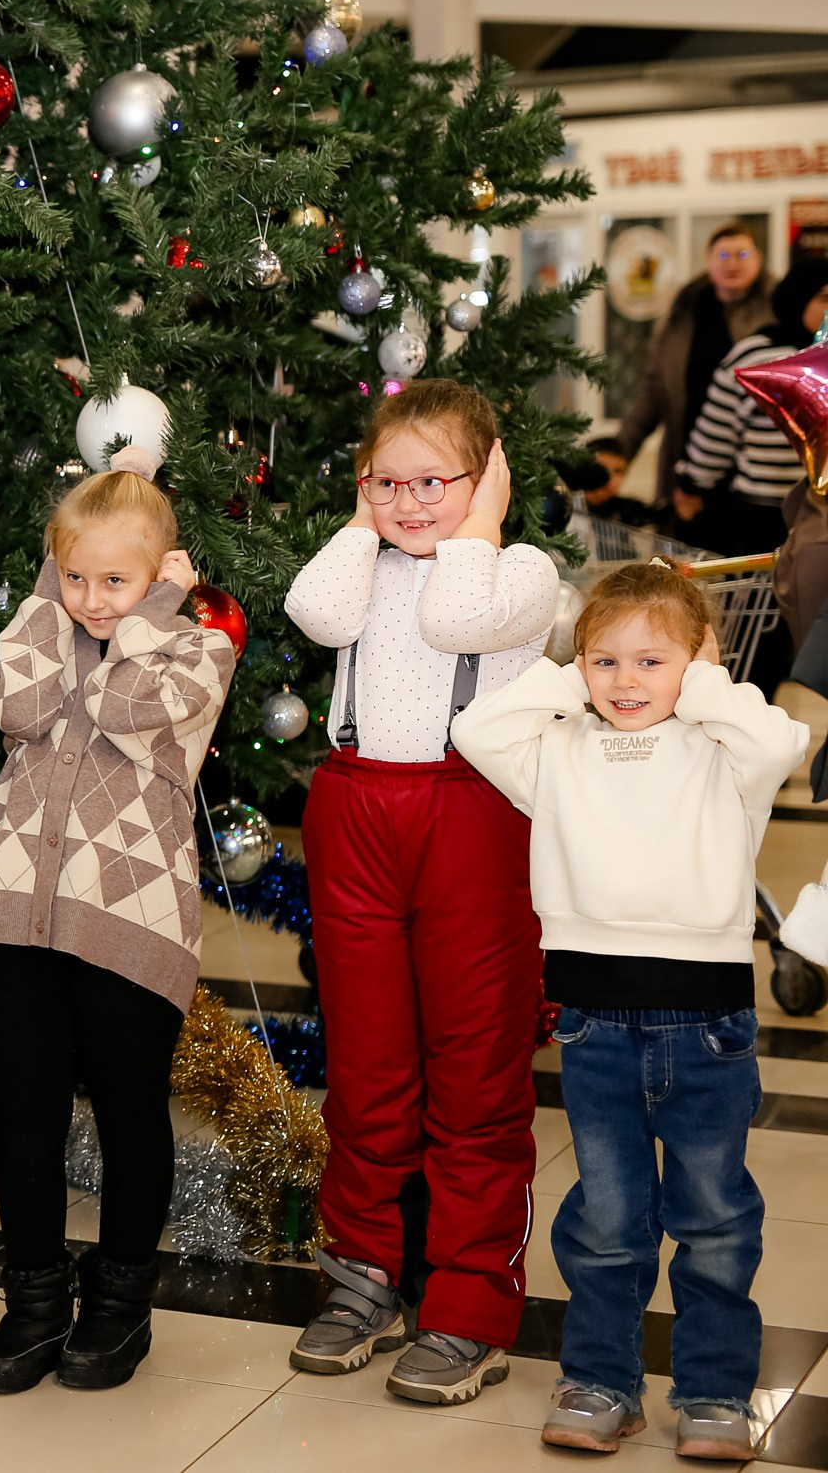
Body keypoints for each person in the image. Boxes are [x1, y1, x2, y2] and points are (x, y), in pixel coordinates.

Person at [453, 562, 806, 1462]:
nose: (625, 681)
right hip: (595, 1017)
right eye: (604, 662)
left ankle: (717, 1391)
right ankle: (602, 1381)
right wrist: (571, 672)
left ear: (700, 662)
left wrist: (707, 681)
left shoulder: (724, 752)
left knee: (714, 1215)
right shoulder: (559, 750)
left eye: (652, 661)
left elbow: (783, 739)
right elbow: (476, 727)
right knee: (607, 1218)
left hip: (709, 1023)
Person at [282, 379, 559, 1405]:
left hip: (469, 820)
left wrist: (477, 524)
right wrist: (363, 521)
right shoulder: (360, 569)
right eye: (384, 481)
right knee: (367, 1064)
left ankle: (469, 1302)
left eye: (430, 481)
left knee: (474, 1070)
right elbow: (310, 611)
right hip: (356, 813)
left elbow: (455, 619)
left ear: (486, 477)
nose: (406, 502)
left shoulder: (517, 573)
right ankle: (361, 1276)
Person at [0, 447, 236, 1394]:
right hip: (16, 906)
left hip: (129, 916)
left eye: (117, 579)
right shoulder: (41, 627)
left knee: (127, 1107)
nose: (93, 597)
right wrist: (49, 601)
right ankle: (33, 1299)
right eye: (75, 575)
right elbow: (16, 704)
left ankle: (119, 1303)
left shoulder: (199, 647)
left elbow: (120, 705)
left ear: (164, 574)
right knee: (23, 1110)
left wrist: (149, 618)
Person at [673, 257, 828, 559]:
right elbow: (715, 432)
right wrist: (692, 483)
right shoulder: (756, 354)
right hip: (762, 516)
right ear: (799, 299)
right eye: (824, 298)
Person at [618, 224, 774, 509]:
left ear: (758, 259)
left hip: (752, 473)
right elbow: (655, 389)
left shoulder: (775, 313)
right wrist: (621, 449)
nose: (733, 264)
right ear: (709, 261)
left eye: (742, 254)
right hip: (686, 461)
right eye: (724, 256)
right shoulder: (685, 310)